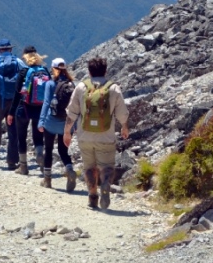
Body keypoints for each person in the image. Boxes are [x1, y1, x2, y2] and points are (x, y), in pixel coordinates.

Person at [64, 57, 129, 210]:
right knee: (106, 166)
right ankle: (105, 185)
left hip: (84, 136)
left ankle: (93, 197)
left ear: (89, 71)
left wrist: (67, 132)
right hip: (105, 136)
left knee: (89, 167)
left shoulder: (81, 87)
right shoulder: (113, 88)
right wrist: (124, 127)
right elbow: (122, 114)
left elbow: (71, 113)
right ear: (106, 71)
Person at [0, 39, 26, 169]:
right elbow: (27, 78)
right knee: (13, 130)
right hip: (14, 101)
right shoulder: (18, 62)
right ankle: (12, 161)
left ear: (0, 50)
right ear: (11, 49)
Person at [7, 46, 48, 175]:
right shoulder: (45, 71)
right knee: (38, 136)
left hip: (23, 109)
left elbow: (17, 94)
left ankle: (23, 167)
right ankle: (40, 155)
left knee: (22, 136)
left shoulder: (24, 72)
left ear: (25, 57)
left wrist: (11, 112)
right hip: (40, 109)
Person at [38, 58, 77, 190]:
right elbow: (75, 107)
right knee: (63, 150)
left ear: (54, 68)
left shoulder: (50, 83)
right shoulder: (72, 84)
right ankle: (70, 169)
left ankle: (47, 180)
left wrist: (41, 121)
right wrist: (75, 126)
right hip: (66, 123)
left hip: (51, 121)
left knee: (48, 149)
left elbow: (46, 103)